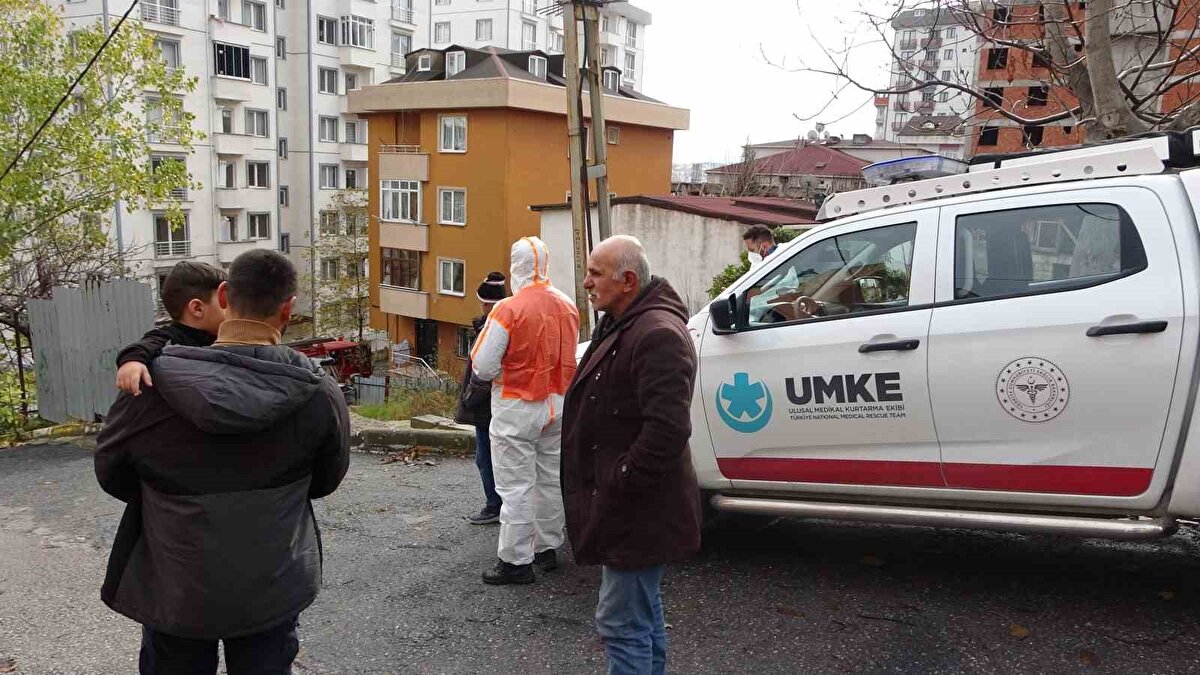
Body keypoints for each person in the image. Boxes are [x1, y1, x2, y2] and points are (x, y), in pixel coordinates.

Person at [94, 249, 351, 675]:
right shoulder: (318, 394)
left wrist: (169, 504)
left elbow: (112, 471)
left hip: (177, 581)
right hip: (271, 580)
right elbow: (325, 480)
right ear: (288, 308)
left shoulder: (150, 387)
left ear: (225, 296)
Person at [562, 235, 701, 675]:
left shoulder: (656, 334)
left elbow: (669, 429)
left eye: (595, 274)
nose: (586, 283)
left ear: (627, 280)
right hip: (634, 508)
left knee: (621, 623)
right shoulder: (625, 320)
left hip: (640, 509)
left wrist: (621, 477)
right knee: (641, 616)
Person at [470, 237, 579, 585]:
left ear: (516, 267)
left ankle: (516, 562)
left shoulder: (508, 309)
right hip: (558, 403)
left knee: (516, 486)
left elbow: (483, 367)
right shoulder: (567, 304)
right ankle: (547, 549)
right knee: (548, 478)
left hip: (517, 406)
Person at [115, 261, 227, 396]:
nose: (235, 308)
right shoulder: (171, 339)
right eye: (226, 301)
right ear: (197, 308)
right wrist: (132, 362)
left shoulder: (223, 338)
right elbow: (144, 346)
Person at [455, 271, 509, 525]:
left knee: (486, 458)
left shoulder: (490, 329)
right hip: (500, 404)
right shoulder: (508, 322)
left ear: (485, 303)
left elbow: (483, 372)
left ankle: (494, 505)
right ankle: (500, 504)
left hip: (485, 408)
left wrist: (468, 398)